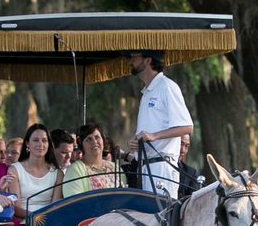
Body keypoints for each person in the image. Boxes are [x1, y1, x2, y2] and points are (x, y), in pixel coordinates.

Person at [128, 50, 194, 200]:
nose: (130, 62)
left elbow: (187, 127)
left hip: (162, 166)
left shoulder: (167, 86)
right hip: (147, 166)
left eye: (134, 58)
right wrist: (136, 142)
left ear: (147, 61)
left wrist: (154, 136)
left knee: (161, 217)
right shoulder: (147, 93)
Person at [6, 122, 63, 218]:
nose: (40, 144)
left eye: (44, 140)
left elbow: (55, 207)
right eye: (36, 140)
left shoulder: (57, 173)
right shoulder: (14, 170)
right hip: (24, 222)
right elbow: (16, 208)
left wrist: (43, 219)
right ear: (27, 143)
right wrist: (35, 217)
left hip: (49, 221)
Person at [62, 121, 124, 196]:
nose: (94, 141)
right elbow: (74, 204)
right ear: (81, 145)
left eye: (97, 137)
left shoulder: (115, 168)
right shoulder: (75, 170)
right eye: (88, 139)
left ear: (103, 141)